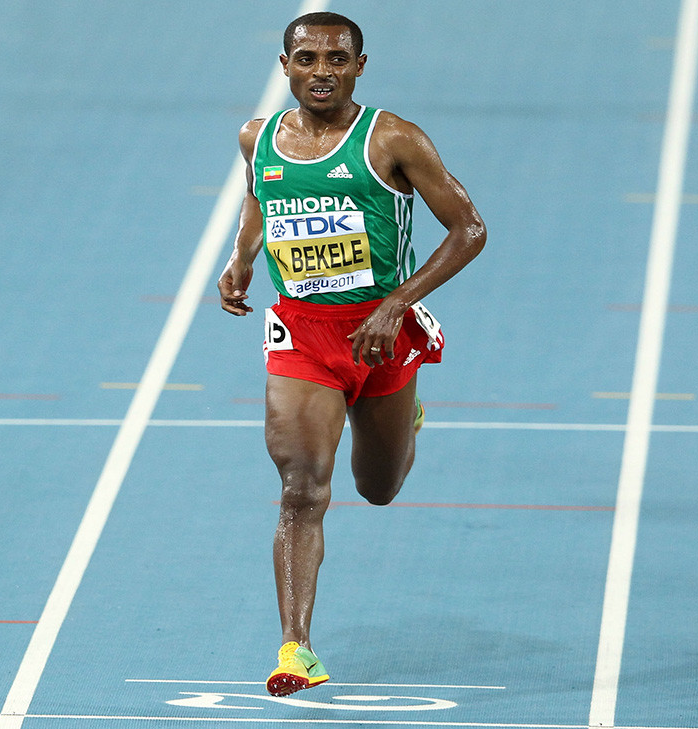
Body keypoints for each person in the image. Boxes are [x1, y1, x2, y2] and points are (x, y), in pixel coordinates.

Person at [216, 11, 488, 697]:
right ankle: (296, 647)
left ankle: (407, 413)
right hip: (303, 335)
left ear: (359, 67)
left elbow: (469, 229)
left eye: (337, 60)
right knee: (301, 489)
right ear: (285, 66)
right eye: (307, 59)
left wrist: (396, 305)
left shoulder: (392, 139)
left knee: (378, 487)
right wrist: (241, 258)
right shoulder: (257, 138)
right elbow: (259, 196)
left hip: (381, 335)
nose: (321, 72)